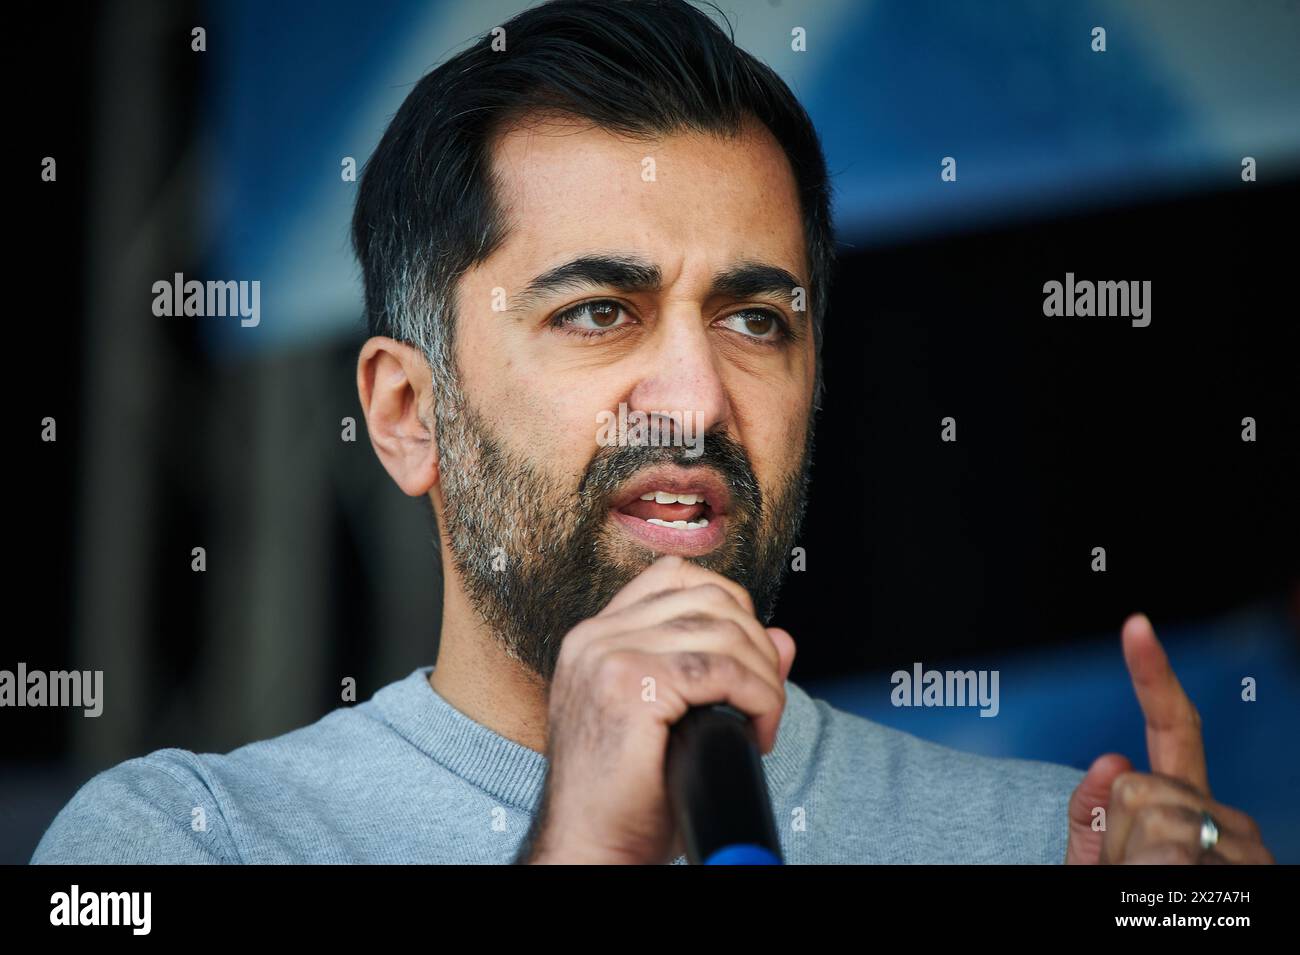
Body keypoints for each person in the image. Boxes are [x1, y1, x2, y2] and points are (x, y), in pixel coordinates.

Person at [33, 0, 1272, 865]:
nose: (692, 399)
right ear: (406, 416)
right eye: (597, 312)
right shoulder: (188, 841)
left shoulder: (1045, 844)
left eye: (754, 319)